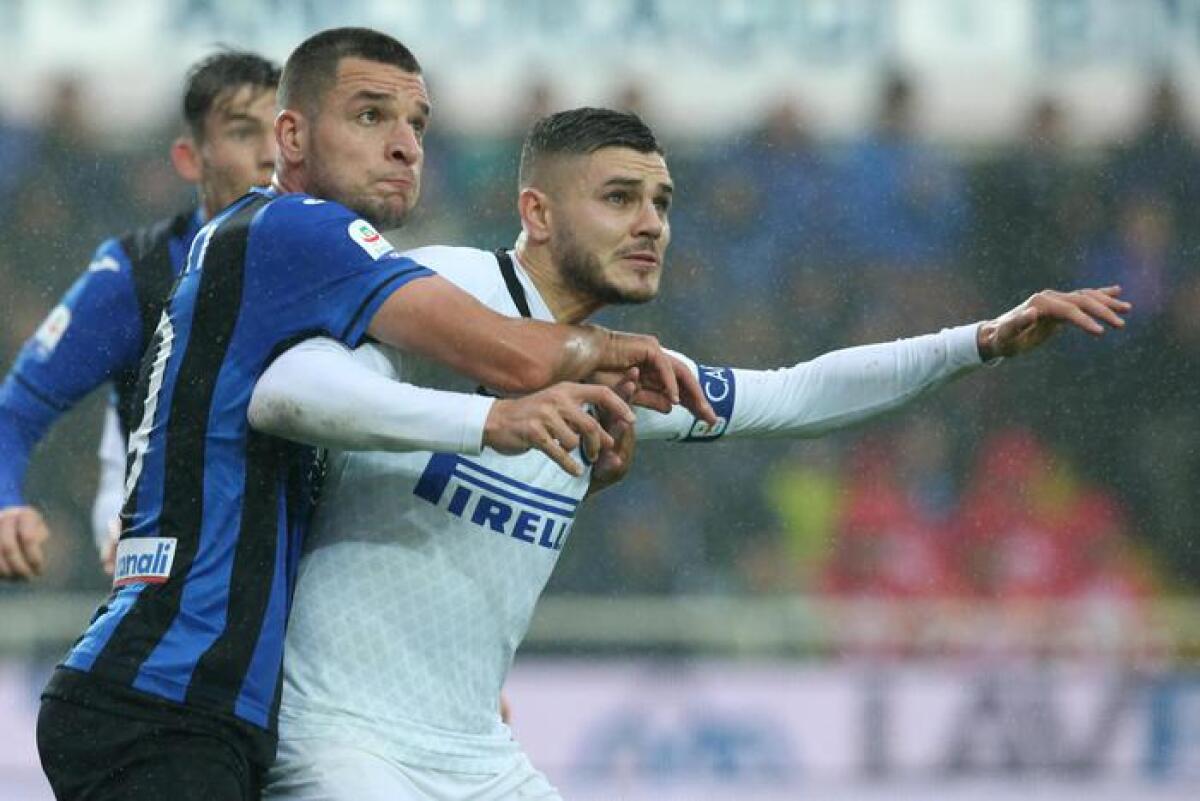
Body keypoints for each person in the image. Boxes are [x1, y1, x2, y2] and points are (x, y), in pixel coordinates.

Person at [245, 107, 1130, 800]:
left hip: (474, 752)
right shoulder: (445, 290)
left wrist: (975, 340)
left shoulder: (621, 372)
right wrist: (490, 420)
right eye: (620, 198)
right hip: (342, 737)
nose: (651, 224)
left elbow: (792, 392)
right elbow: (289, 390)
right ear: (538, 213)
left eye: (662, 202)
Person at [36, 31, 713, 801]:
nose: (403, 146)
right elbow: (511, 358)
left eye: (417, 125)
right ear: (290, 136)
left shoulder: (289, 276)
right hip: (166, 696)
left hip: (190, 697)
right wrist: (610, 352)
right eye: (370, 117)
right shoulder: (301, 228)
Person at [0, 50, 281, 582]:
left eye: (284, 134)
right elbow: (14, 413)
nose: (271, 156)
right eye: (245, 133)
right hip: (176, 581)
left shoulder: (341, 264)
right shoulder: (136, 274)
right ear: (190, 159)